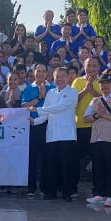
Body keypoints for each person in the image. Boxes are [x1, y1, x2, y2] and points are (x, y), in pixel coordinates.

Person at [30, 66, 78, 201]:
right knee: (51, 164)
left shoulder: (73, 92)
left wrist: (38, 109)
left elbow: (60, 107)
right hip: (52, 134)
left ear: (68, 78)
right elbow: (46, 114)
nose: (60, 79)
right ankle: (51, 192)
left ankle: (67, 193)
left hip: (67, 134)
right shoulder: (51, 93)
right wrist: (34, 121)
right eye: (57, 76)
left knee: (66, 165)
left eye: (63, 76)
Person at [83, 73, 111, 206]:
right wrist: (97, 115)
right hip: (96, 138)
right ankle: (99, 194)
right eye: (102, 84)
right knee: (98, 166)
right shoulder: (95, 100)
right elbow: (86, 118)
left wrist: (103, 115)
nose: (105, 86)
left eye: (108, 83)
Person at [22, 64, 53, 197]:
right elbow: (24, 106)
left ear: (47, 73)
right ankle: (31, 188)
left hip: (48, 126)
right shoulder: (28, 88)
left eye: (43, 71)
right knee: (32, 158)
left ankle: (45, 187)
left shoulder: (52, 88)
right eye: (38, 71)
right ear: (34, 73)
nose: (40, 73)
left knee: (47, 158)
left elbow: (53, 107)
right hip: (32, 126)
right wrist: (39, 97)